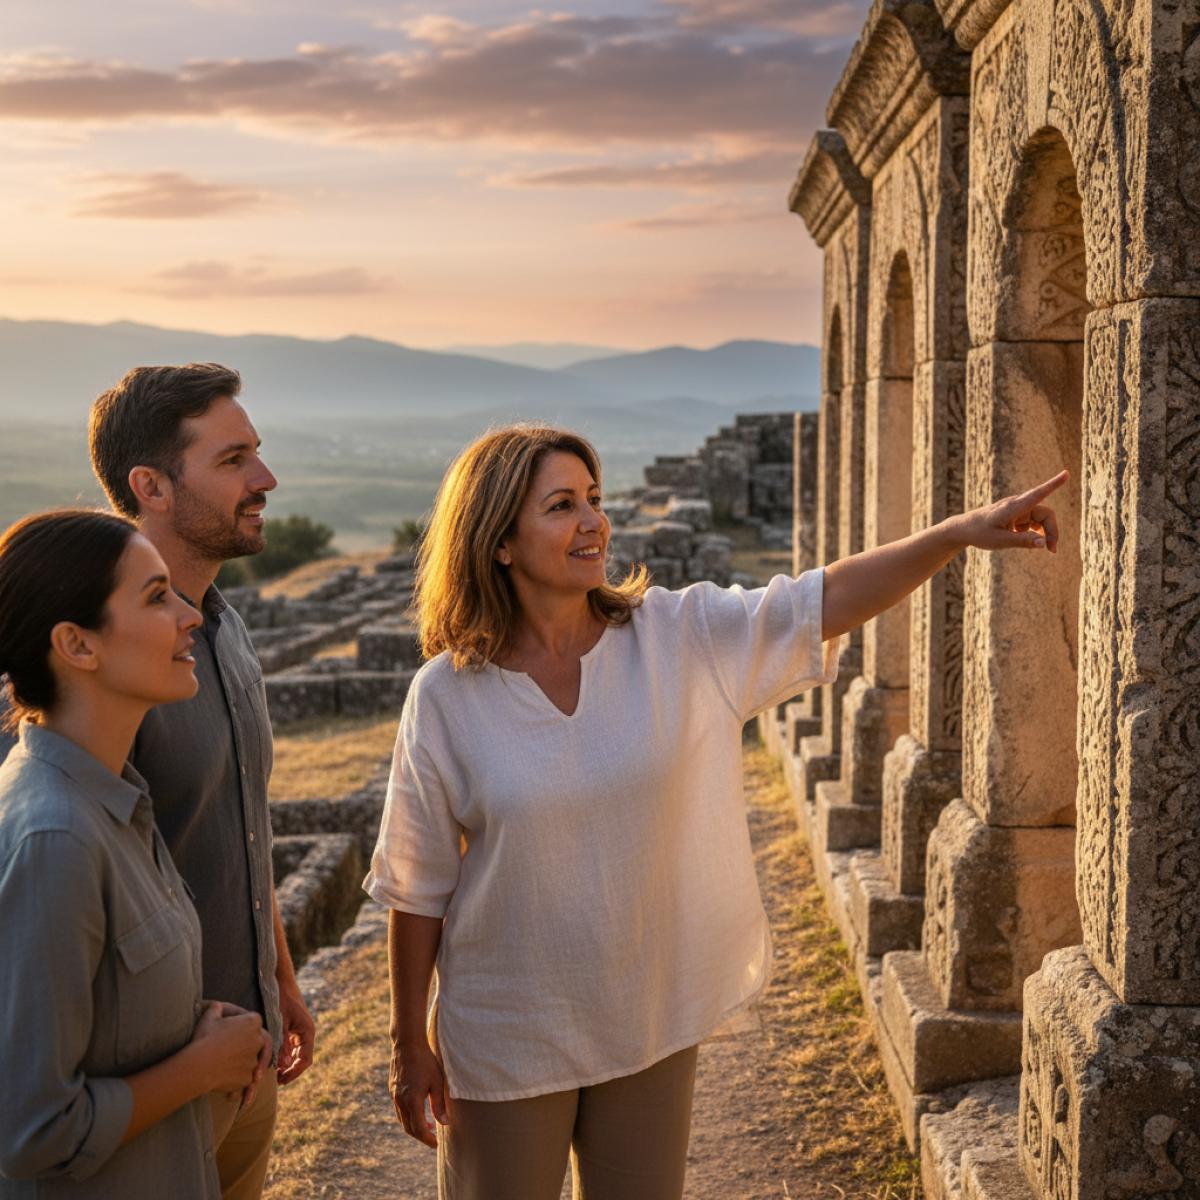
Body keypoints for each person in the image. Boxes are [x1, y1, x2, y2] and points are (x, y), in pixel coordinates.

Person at [364, 424, 1067, 1200]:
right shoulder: (446, 696)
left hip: (648, 1015)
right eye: (561, 506)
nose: (593, 521)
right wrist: (407, 1043)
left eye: (594, 499)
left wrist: (957, 535)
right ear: (498, 541)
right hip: (506, 1031)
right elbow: (416, 885)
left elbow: (821, 600)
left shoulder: (675, 636)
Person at [86, 364, 315, 1200]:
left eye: (256, 453)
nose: (265, 479)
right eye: (233, 461)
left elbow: (240, 822)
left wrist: (279, 979)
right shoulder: (100, 662)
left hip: (245, 1052)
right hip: (153, 1081)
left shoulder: (224, 626)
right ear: (149, 486)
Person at [0, 508, 272, 1198]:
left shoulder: (116, 795)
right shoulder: (55, 838)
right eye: (156, 597)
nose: (191, 618)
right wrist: (202, 1066)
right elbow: (31, 1130)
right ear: (77, 645)